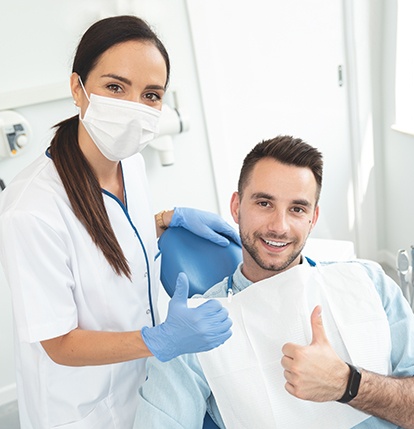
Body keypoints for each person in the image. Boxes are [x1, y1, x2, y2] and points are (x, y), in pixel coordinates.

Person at [0, 15, 238, 429]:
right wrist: (158, 340)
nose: (133, 108)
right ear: (78, 89)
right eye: (115, 87)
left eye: (151, 95)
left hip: (144, 390)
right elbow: (58, 343)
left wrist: (164, 222)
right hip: (82, 409)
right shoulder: (30, 209)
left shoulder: (130, 161)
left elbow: (102, 235)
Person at [135, 135, 414, 429]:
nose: (279, 226)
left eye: (297, 209)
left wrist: (347, 384)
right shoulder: (193, 329)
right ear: (236, 207)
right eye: (264, 203)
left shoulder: (369, 281)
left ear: (313, 218)